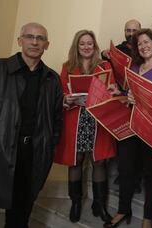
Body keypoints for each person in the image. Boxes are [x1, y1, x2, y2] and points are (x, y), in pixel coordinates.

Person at [0, 22, 63, 227]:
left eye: (40, 38)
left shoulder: (52, 79)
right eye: (29, 36)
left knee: (19, 217)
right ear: (20, 41)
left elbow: (56, 119)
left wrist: (49, 147)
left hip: (31, 156)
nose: (34, 42)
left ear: (47, 45)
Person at [105, 29, 152, 228]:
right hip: (131, 124)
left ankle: (148, 217)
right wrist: (121, 92)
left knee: (151, 173)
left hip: (151, 128)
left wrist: (138, 99)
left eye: (147, 42)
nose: (144, 46)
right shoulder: (135, 67)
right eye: (140, 44)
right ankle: (123, 210)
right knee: (125, 169)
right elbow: (131, 93)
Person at [54, 30, 117, 223]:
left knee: (99, 162)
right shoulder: (68, 66)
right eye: (82, 44)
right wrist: (67, 98)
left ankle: (99, 204)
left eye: (90, 43)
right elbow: (62, 91)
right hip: (76, 117)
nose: (86, 47)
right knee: (76, 161)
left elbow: (111, 88)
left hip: (97, 119)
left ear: (94, 45)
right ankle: (75, 202)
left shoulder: (105, 65)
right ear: (77, 46)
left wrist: (112, 91)